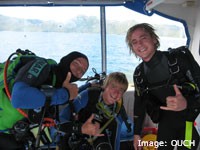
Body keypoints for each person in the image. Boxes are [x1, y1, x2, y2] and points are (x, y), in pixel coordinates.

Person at [0, 51, 100, 149]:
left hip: (7, 131)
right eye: (76, 63)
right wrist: (66, 94)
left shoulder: (58, 86)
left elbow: (54, 123)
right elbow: (18, 98)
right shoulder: (43, 66)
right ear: (66, 60)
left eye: (82, 71)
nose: (79, 70)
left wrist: (81, 128)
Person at [125, 23, 200, 150]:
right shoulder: (139, 74)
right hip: (165, 127)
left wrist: (186, 103)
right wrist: (137, 133)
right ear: (132, 48)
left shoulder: (178, 59)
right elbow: (140, 104)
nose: (140, 44)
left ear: (154, 39)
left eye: (143, 38)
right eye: (134, 42)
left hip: (188, 124)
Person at [59, 72, 130, 150]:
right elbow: (60, 120)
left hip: (99, 137)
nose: (116, 93)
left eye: (121, 90)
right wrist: (81, 128)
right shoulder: (89, 95)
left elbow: (115, 139)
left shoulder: (117, 111)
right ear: (105, 86)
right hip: (76, 134)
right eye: (113, 86)